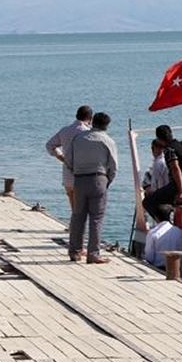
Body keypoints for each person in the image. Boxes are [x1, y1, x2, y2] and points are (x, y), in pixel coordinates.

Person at [67, 111, 117, 264]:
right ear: (107, 126)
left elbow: (68, 160)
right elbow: (113, 166)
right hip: (99, 178)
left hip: (80, 179)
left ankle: (75, 252)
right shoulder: (108, 141)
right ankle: (93, 253)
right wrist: (107, 181)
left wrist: (76, 170)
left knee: (77, 216)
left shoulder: (78, 138)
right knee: (96, 218)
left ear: (93, 122)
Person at [142, 125, 182, 221]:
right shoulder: (180, 146)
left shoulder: (169, 150)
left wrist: (180, 191)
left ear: (158, 139)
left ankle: (165, 224)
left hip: (179, 186)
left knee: (147, 202)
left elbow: (176, 169)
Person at [45, 105, 93, 210]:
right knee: (83, 207)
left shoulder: (65, 130)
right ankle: (80, 226)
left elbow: (49, 145)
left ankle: (74, 225)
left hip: (67, 173)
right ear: (90, 118)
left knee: (73, 205)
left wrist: (61, 157)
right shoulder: (88, 132)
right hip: (82, 174)